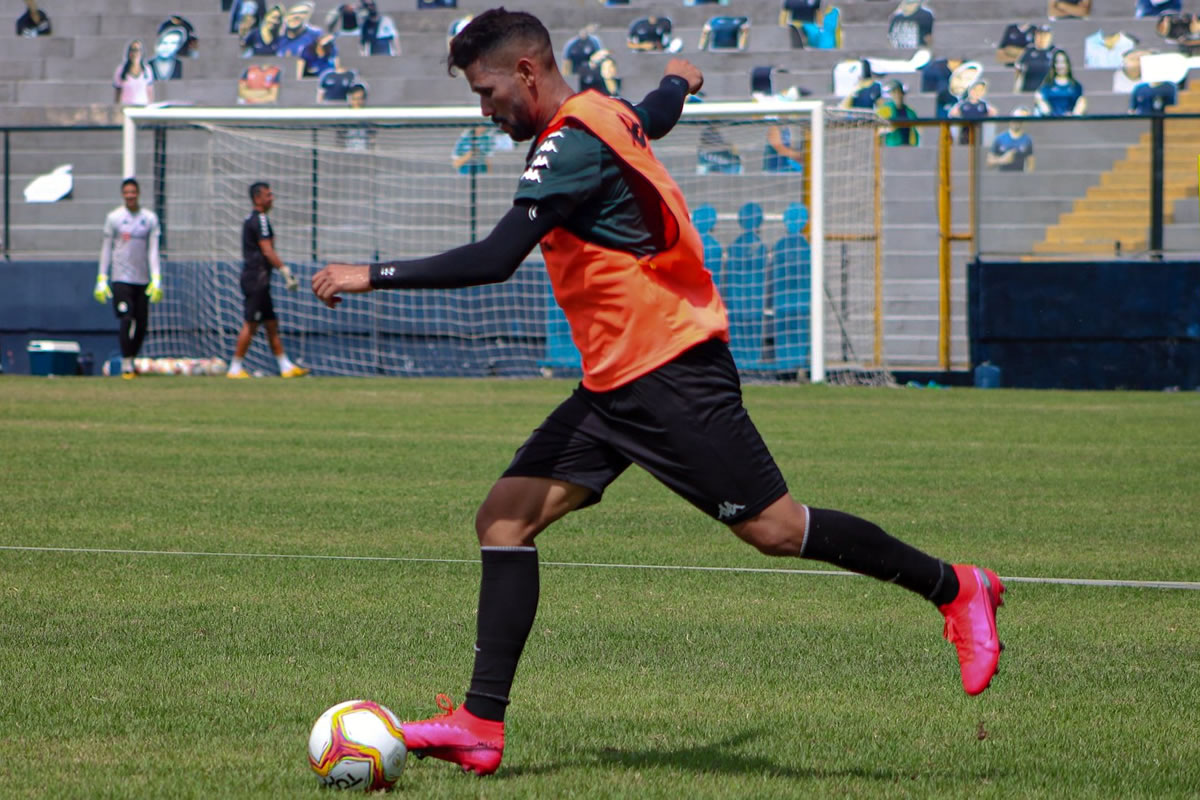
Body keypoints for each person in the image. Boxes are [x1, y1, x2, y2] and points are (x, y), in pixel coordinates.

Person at [310, 8, 1006, 777]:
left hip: (670, 370)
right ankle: (479, 725)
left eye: (486, 91)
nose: (484, 109)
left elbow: (496, 257)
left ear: (527, 73)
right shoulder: (604, 114)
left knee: (775, 528)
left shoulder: (569, 142)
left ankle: (957, 587)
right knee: (504, 520)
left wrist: (370, 274)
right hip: (615, 383)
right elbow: (655, 114)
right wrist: (679, 79)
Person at [227, 182, 308, 379]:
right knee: (251, 324)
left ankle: (285, 366)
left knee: (271, 323)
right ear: (257, 199)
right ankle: (235, 368)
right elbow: (267, 250)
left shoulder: (252, 219)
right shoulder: (260, 220)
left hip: (259, 280)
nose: (272, 198)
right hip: (256, 280)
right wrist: (284, 270)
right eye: (268, 195)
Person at [93, 178, 162, 380]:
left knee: (142, 323)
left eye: (133, 192)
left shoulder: (149, 218)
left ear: (138, 193)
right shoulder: (114, 218)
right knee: (125, 318)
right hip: (121, 278)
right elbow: (106, 249)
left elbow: (153, 250)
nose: (130, 196)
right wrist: (102, 278)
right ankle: (126, 363)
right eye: (127, 192)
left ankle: (131, 359)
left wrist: (156, 277)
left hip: (142, 280)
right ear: (123, 194)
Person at [1036, 50, 1086, 116]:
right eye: (1057, 62)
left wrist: (1072, 115)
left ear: (1068, 64)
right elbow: (1044, 109)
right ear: (1054, 65)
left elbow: (1079, 107)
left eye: (1063, 62)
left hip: (1070, 120)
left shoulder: (1076, 86)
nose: (1060, 66)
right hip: (1051, 120)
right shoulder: (1047, 86)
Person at [987, 107, 1035, 171]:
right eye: (1015, 117)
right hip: (1002, 175)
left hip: (1019, 175)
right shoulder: (999, 138)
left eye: (1021, 119)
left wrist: (1028, 175)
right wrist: (1001, 160)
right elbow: (989, 162)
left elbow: (1031, 164)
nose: (1017, 121)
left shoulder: (1027, 140)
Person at [1014, 25, 1058, 92]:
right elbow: (1018, 72)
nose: (1042, 38)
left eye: (1045, 36)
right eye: (1040, 35)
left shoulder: (1055, 52)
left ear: (1050, 37)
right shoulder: (1029, 50)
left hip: (1047, 93)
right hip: (1028, 91)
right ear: (1035, 36)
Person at [877, 79, 919, 146]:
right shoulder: (883, 110)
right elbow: (877, 130)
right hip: (892, 147)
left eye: (899, 92)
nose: (897, 95)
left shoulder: (910, 112)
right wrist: (888, 129)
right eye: (894, 92)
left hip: (908, 146)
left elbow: (917, 130)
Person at [113, 40, 154, 105]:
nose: (135, 53)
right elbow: (117, 93)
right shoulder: (121, 70)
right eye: (132, 50)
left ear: (142, 53)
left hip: (143, 107)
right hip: (126, 107)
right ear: (129, 53)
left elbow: (150, 92)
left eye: (138, 50)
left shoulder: (147, 70)